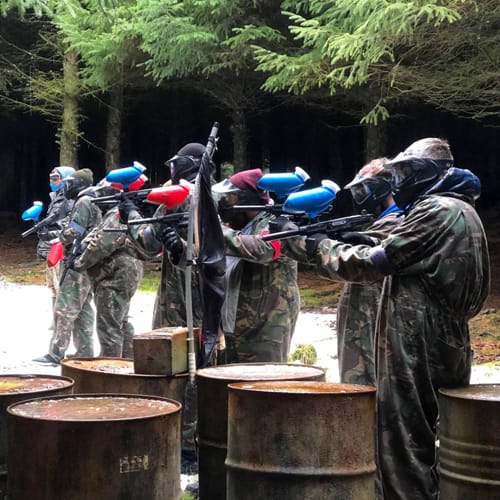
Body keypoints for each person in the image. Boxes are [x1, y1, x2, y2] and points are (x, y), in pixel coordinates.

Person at [284, 138, 490, 499]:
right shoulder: (461, 208)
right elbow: (406, 254)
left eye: (408, 171)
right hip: (443, 335)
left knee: (402, 440)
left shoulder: (437, 209)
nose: (401, 180)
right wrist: (361, 240)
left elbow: (374, 264)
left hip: (416, 337)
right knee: (425, 437)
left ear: (427, 172)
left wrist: (319, 246)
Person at [209, 167, 300, 363]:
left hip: (266, 328)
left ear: (247, 199)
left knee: (265, 380)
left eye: (230, 198)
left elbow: (263, 249)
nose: (225, 204)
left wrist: (213, 231)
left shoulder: (276, 224)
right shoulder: (241, 228)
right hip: (237, 326)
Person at [336, 158, 403, 386]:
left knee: (366, 386)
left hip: (372, 321)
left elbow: (353, 263)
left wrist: (319, 245)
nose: (359, 198)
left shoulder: (396, 222)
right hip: (366, 320)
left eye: (363, 190)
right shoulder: (382, 222)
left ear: (381, 190)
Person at [34, 168, 102, 365]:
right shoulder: (93, 199)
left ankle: (56, 353)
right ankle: (85, 352)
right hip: (88, 258)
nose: (66, 187)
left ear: (79, 185)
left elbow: (74, 231)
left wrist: (55, 237)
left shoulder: (83, 201)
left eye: (69, 184)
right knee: (83, 309)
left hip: (77, 259)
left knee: (64, 307)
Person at [73, 183, 145, 358]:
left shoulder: (116, 215)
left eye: (100, 194)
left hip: (115, 274)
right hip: (125, 271)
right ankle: (128, 361)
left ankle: (110, 365)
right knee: (121, 320)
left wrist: (79, 262)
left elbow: (101, 245)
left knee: (109, 324)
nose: (97, 199)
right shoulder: (116, 214)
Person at [35, 166, 75, 329]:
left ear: (65, 179)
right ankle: (56, 319)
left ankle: (62, 321)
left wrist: (51, 231)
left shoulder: (70, 199)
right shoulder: (56, 197)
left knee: (60, 286)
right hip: (51, 246)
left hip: (61, 246)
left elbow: (70, 223)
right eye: (51, 178)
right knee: (52, 285)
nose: (52, 181)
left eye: (56, 178)